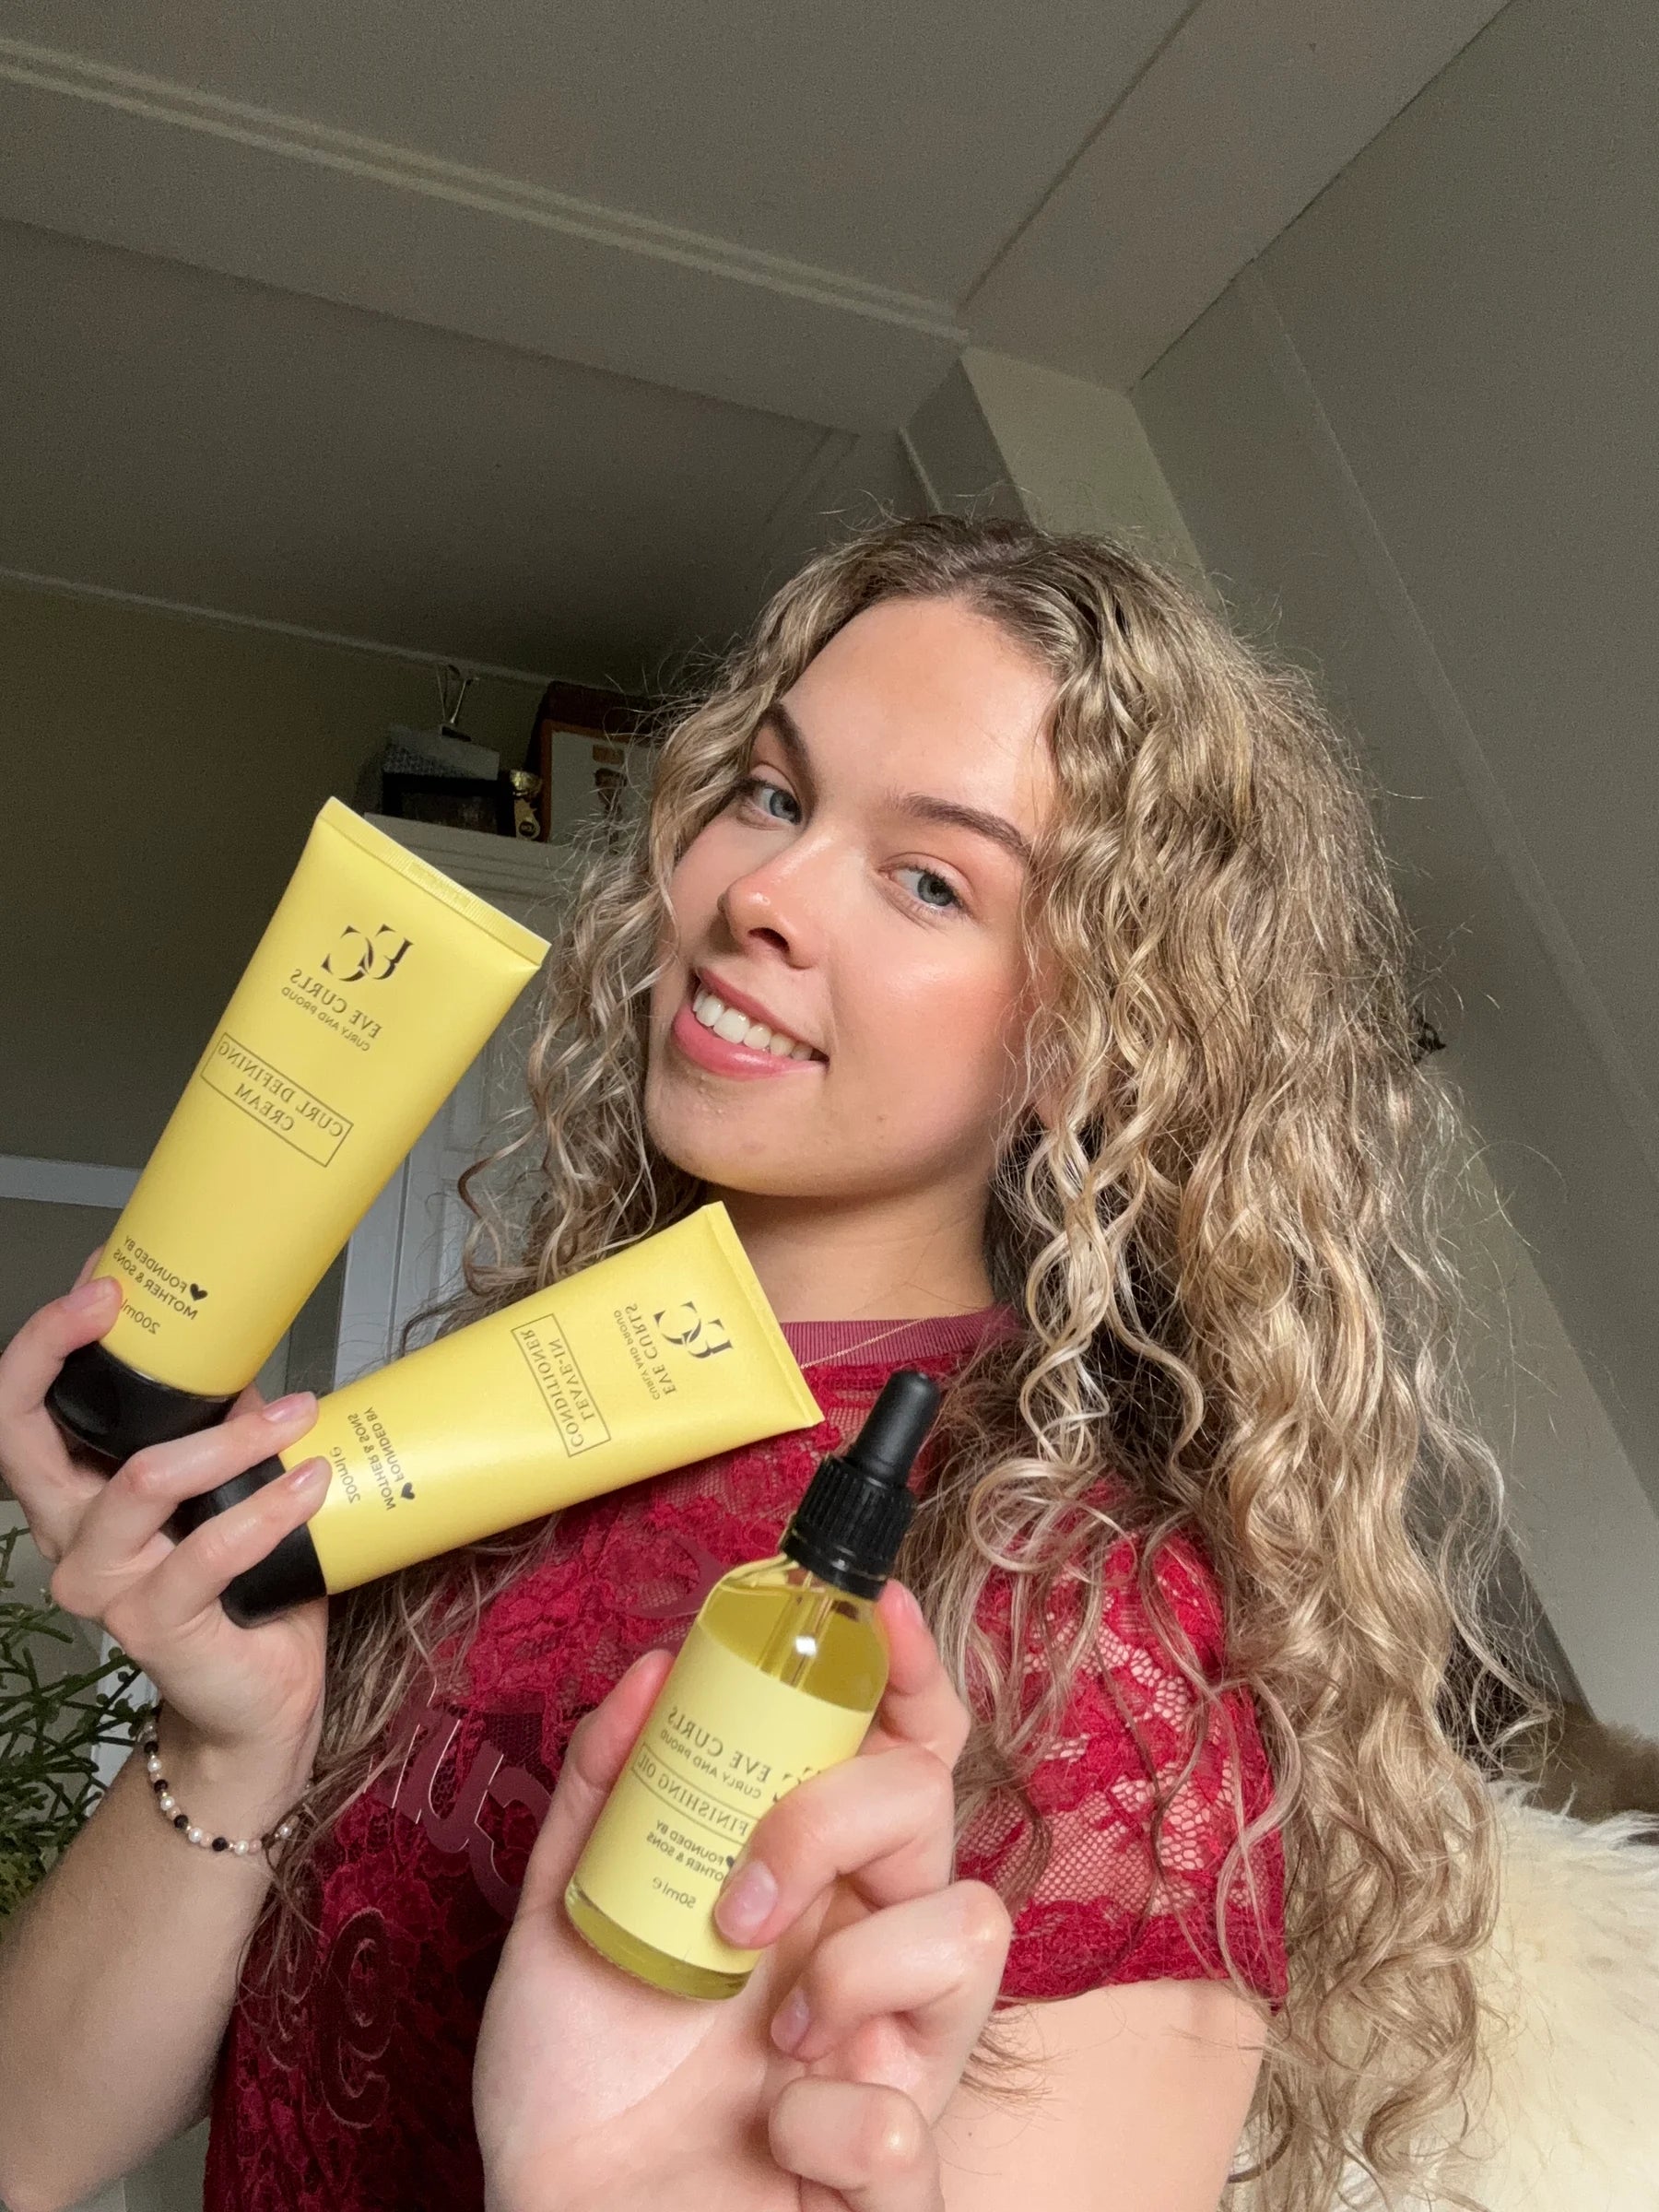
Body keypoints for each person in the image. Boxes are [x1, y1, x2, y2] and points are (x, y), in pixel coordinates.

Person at [0, 517, 1526, 2211]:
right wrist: (238, 1739)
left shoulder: (1093, 1631)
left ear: (1093, 1044)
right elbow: (29, 2141)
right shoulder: (530, 1397)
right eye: (774, 795)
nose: (759, 897)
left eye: (931, 880)